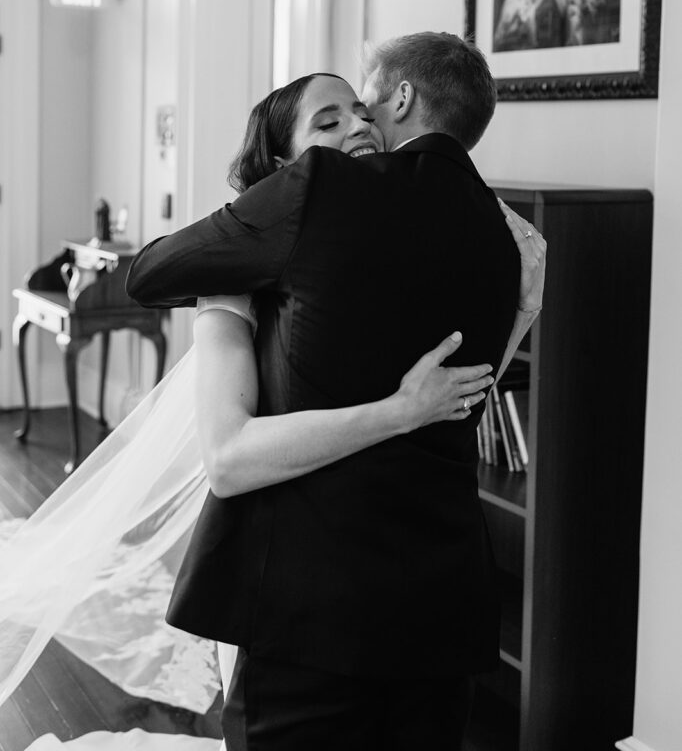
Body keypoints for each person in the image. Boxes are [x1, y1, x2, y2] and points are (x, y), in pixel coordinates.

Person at [0, 62, 544, 751]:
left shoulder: (441, 232)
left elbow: (468, 392)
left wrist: (522, 314)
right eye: (329, 121)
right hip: (312, 608)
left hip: (423, 612)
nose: (359, 127)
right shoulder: (235, 293)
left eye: (361, 113)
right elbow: (227, 459)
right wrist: (399, 410)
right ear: (284, 169)